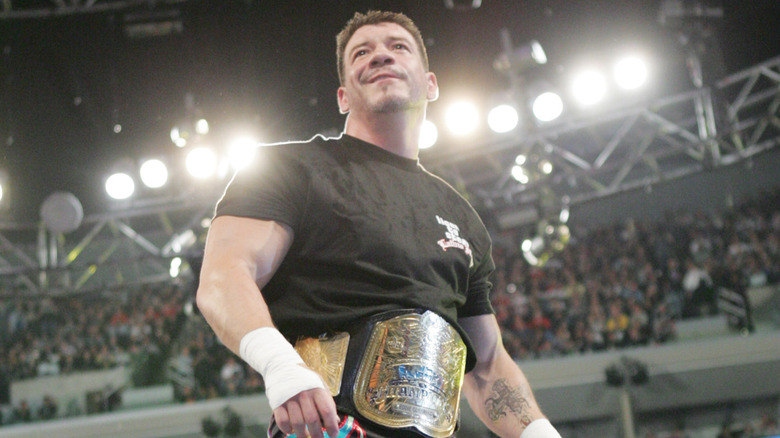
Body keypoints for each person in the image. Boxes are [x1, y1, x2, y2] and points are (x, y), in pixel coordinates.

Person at [197, 10, 561, 438]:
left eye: (398, 47)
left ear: (430, 84)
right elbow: (224, 276)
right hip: (330, 428)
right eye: (361, 53)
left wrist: (541, 433)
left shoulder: (461, 216)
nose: (380, 56)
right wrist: (278, 363)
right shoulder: (289, 168)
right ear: (342, 98)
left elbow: (487, 366)